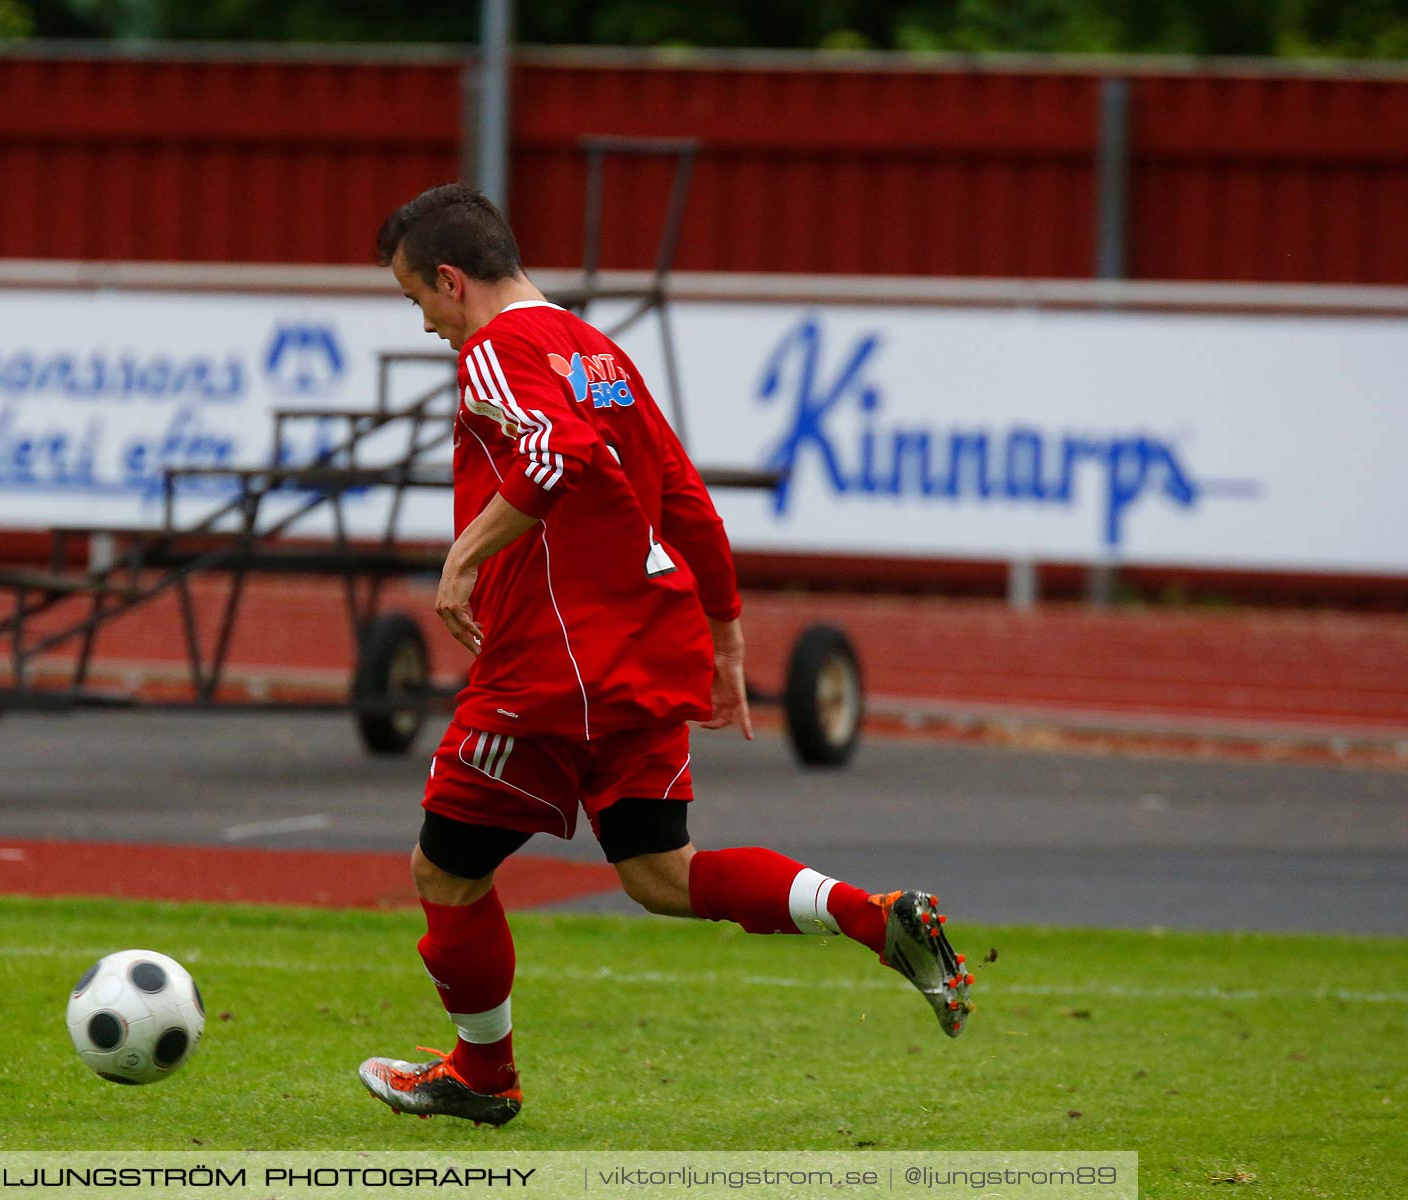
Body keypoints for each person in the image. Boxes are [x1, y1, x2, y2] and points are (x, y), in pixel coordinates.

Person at [358, 183, 973, 1127]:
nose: (430, 325)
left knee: (443, 871)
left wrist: (460, 560)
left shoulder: (498, 350)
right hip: (645, 647)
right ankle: (869, 914)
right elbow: (684, 499)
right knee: (661, 873)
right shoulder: (601, 355)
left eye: (418, 302)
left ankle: (483, 1076)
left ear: (451, 280)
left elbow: (552, 458)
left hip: (550, 668)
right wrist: (724, 631)